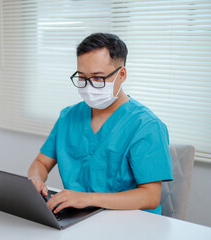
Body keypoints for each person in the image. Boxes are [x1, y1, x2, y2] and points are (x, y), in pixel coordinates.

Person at [28, 32, 173, 215]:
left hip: (131, 222)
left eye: (98, 78)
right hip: (78, 219)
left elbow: (150, 197)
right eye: (82, 78)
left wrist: (87, 198)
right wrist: (35, 179)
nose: (88, 86)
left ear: (122, 75)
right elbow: (41, 162)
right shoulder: (69, 116)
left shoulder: (145, 125)